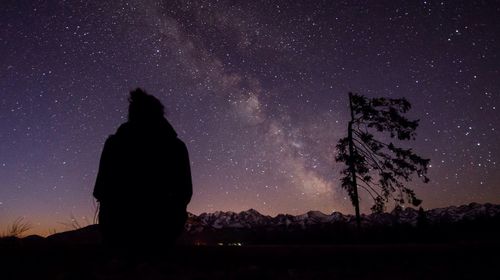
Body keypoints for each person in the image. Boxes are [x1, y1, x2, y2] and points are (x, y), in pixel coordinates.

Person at [93, 88, 192, 253]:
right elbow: (185, 193)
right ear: (160, 115)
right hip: (162, 233)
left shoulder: (115, 144)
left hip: (117, 231)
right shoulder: (176, 147)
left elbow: (100, 190)